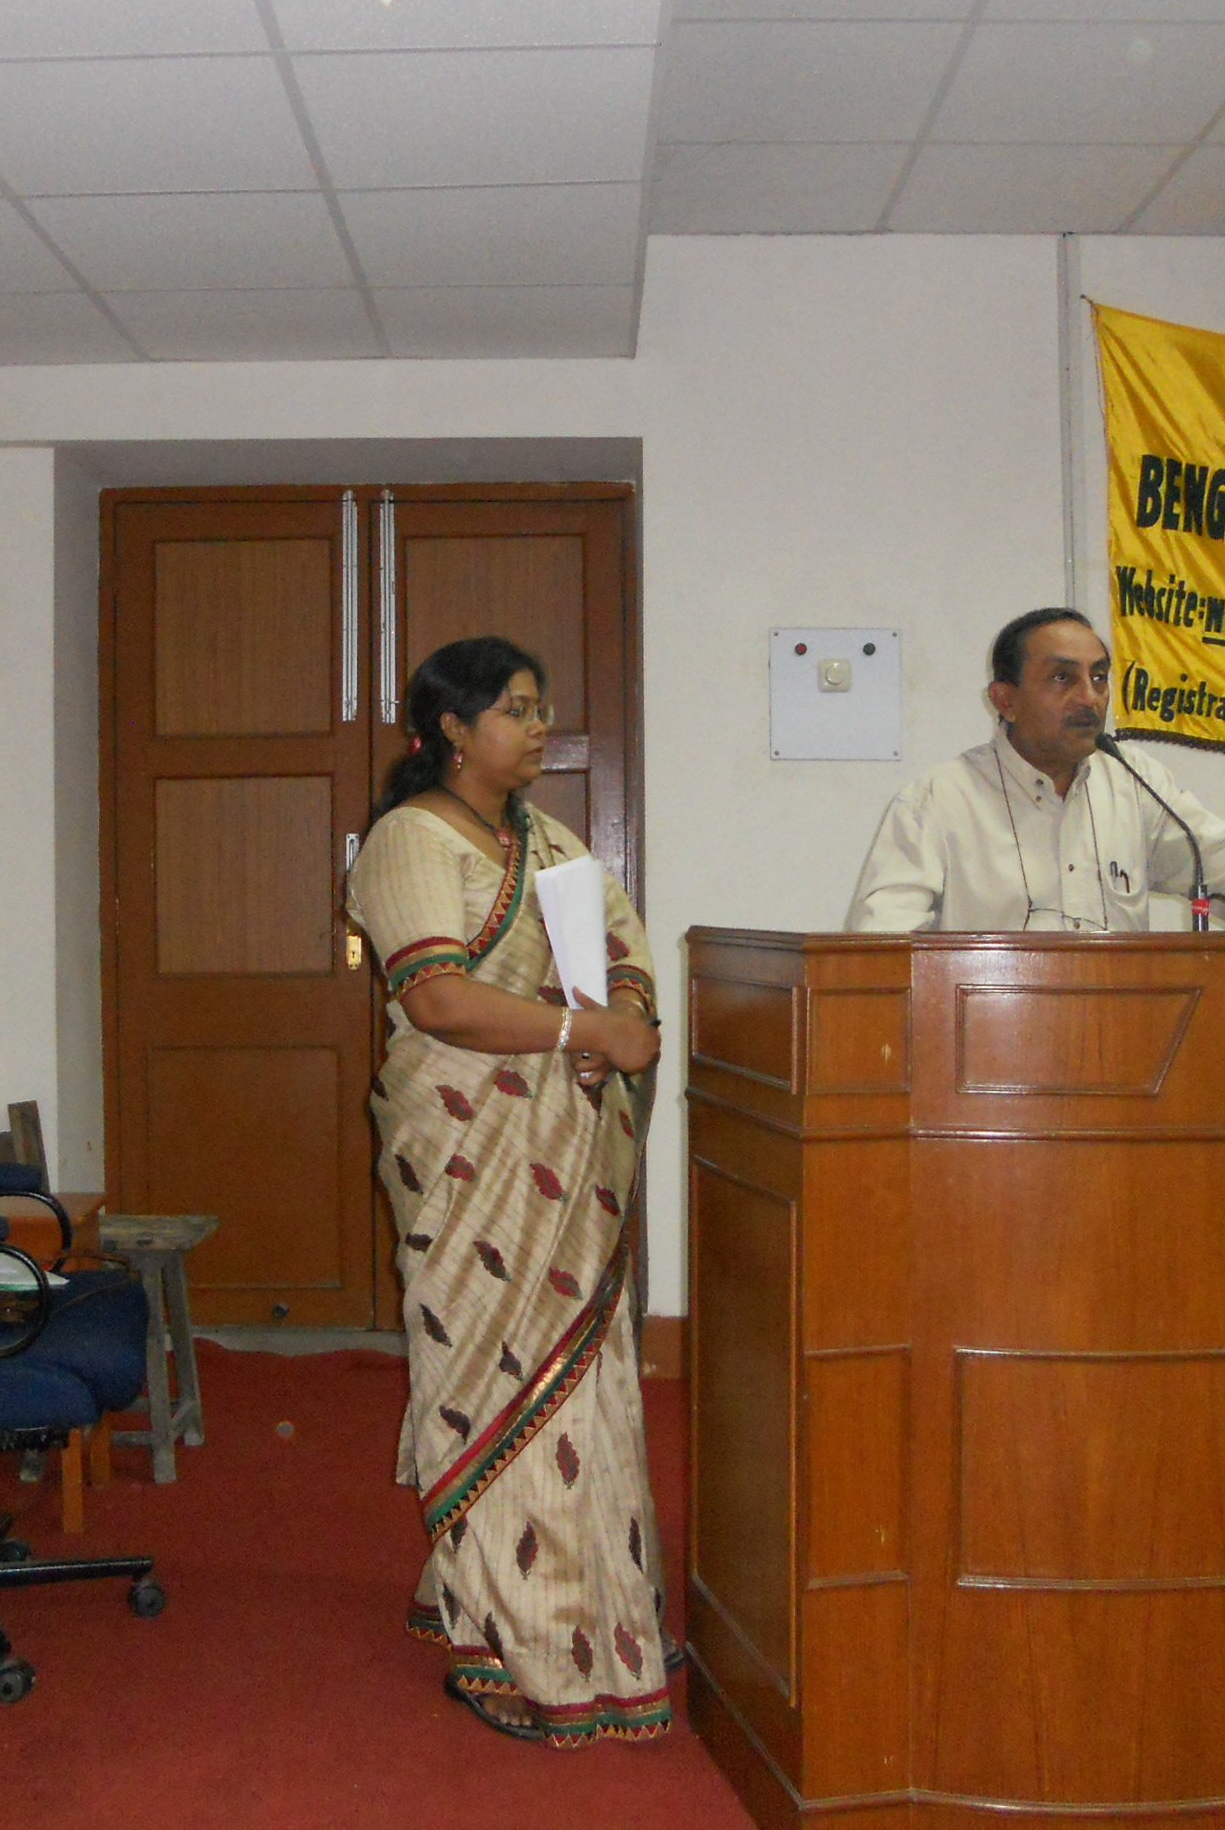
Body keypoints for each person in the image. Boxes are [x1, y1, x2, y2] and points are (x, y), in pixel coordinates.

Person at [345, 636, 671, 1746]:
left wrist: (618, 1022)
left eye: (541, 709)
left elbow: (622, 952)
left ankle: (591, 1606)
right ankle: (501, 1632)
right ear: (453, 728)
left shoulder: (552, 840)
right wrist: (586, 1032)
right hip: (465, 1147)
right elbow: (436, 999)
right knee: (482, 1375)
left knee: (575, 1375)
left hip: (563, 1150)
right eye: (517, 710)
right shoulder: (407, 840)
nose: (538, 729)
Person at [848, 607, 1225, 935]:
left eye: (1099, 677)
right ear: (1005, 699)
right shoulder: (938, 801)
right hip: (988, 1068)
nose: (1089, 696)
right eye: (1062, 678)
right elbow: (880, 950)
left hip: (1125, 1060)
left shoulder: (1134, 784)